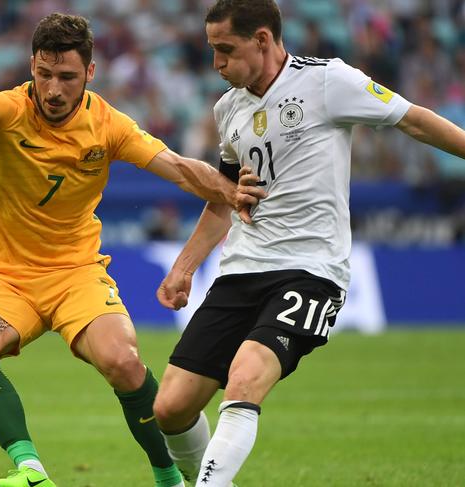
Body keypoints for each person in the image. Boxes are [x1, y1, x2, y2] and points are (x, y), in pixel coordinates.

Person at [0, 2, 264, 487]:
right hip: (7, 278)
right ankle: (31, 473)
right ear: (32, 68)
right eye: (44, 74)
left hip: (75, 274)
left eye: (66, 75)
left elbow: (180, 168)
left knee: (124, 363)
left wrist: (232, 193)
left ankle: (169, 479)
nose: (54, 89)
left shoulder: (108, 125)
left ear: (90, 71)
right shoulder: (2, 112)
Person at [151, 1, 465, 486]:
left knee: (245, 378)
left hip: (310, 269)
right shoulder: (228, 108)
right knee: (170, 408)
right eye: (212, 50)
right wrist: (185, 265)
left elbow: (413, 119)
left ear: (262, 40)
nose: (216, 64)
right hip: (242, 267)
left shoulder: (328, 81)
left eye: (225, 50)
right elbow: (226, 199)